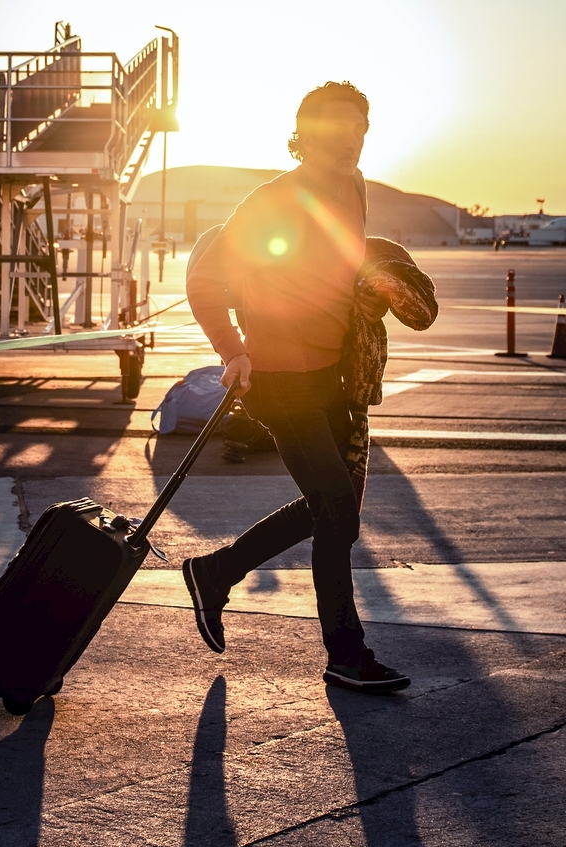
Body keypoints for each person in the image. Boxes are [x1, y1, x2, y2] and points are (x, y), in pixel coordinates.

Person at [183, 81, 413, 694]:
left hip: (332, 377)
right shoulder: (272, 201)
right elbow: (205, 279)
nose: (352, 139)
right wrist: (233, 351)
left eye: (360, 126)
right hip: (279, 380)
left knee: (330, 509)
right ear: (305, 137)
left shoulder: (355, 188)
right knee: (337, 509)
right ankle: (345, 652)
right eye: (336, 130)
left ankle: (216, 572)